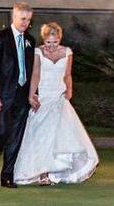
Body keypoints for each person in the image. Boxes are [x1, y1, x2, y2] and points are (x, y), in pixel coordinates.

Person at [13, 22, 99, 185]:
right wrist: (32, 95)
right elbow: (36, 74)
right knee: (41, 137)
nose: (51, 46)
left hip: (59, 98)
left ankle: (56, 172)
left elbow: (67, 74)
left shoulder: (67, 52)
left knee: (61, 137)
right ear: (44, 40)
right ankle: (42, 174)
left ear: (59, 39)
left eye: (55, 42)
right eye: (48, 42)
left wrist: (69, 89)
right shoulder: (38, 51)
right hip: (44, 98)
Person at [0, 3, 37, 188]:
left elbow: (32, 71)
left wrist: (33, 94)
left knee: (16, 137)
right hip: (4, 94)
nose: (26, 23)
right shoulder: (0, 37)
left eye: (29, 20)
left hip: (23, 96)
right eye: (23, 19)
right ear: (13, 17)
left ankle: (8, 176)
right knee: (2, 131)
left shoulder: (31, 40)